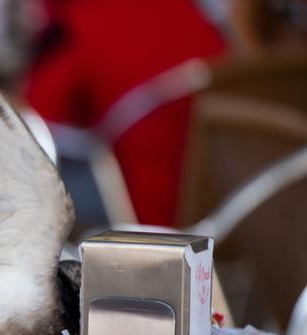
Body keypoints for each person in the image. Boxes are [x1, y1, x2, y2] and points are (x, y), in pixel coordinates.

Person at [22, 0, 227, 226]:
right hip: (235, 217)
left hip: (149, 230)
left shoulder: (76, 21)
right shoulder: (190, 11)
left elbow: (35, 127)